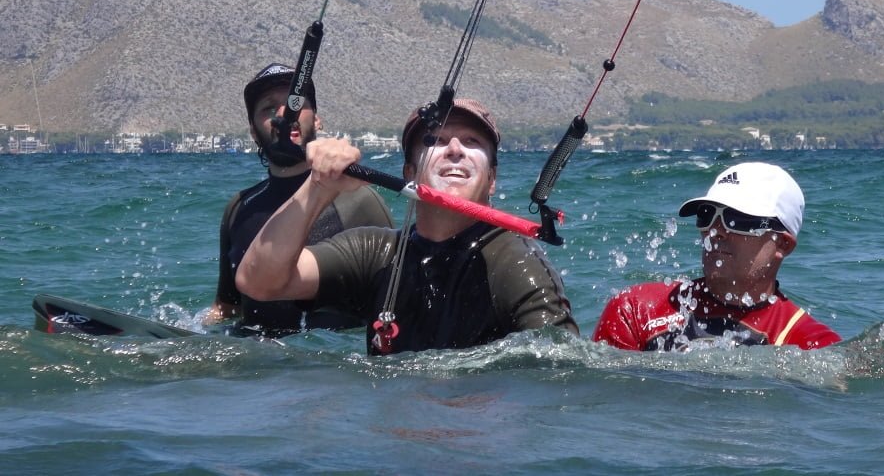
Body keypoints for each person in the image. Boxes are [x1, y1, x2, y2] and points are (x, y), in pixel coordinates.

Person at [236, 97, 579, 354]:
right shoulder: (375, 252)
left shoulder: (514, 263)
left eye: (472, 142)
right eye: (435, 141)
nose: (455, 149)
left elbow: (562, 369)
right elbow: (259, 282)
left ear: (491, 179)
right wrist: (318, 187)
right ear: (409, 174)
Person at [208, 62, 393, 336]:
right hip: (253, 367)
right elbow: (226, 309)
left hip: (326, 368)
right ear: (252, 130)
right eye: (269, 109)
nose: (284, 114)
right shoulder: (239, 209)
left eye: (295, 104)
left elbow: (393, 301)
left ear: (317, 119)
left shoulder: (360, 200)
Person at [593, 162, 840, 351]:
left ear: (783, 244)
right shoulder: (635, 310)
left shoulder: (812, 345)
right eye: (707, 215)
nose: (716, 230)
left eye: (738, 219)